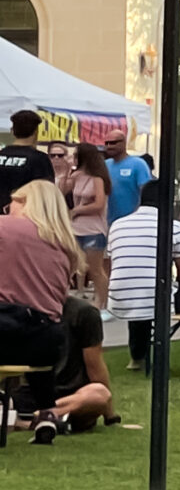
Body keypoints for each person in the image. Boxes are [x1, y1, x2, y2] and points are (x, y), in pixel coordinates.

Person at [106, 177, 180, 369]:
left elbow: (115, 264)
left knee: (140, 288)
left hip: (120, 296)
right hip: (158, 297)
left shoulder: (117, 225)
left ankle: (137, 356)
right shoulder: (176, 227)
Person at [0, 175, 74, 384]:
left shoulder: (6, 228)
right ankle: (45, 408)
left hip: (7, 334)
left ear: (25, 203)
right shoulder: (64, 246)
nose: (8, 210)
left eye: (11, 204)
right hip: (46, 343)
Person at [21, 279, 114, 442]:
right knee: (100, 395)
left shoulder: (84, 312)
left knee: (99, 393)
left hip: (72, 398)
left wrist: (109, 413)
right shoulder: (18, 309)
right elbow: (95, 365)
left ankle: (37, 418)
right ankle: (47, 419)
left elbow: (94, 366)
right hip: (29, 396)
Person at [62, 140, 113, 300]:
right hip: (76, 227)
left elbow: (99, 204)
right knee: (72, 265)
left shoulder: (98, 178)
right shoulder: (77, 176)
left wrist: (77, 210)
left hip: (93, 229)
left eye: (76, 156)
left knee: (95, 269)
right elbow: (61, 192)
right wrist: (66, 172)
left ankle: (102, 302)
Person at [0, 109, 53, 204]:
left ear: (12, 131)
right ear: (36, 131)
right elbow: (46, 192)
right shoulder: (39, 159)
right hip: (25, 212)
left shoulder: (1, 154)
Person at [99, 129, 149, 222]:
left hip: (132, 221)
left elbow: (146, 192)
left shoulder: (138, 164)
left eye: (113, 143)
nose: (109, 146)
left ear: (123, 143)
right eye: (107, 143)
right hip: (109, 222)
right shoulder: (104, 165)